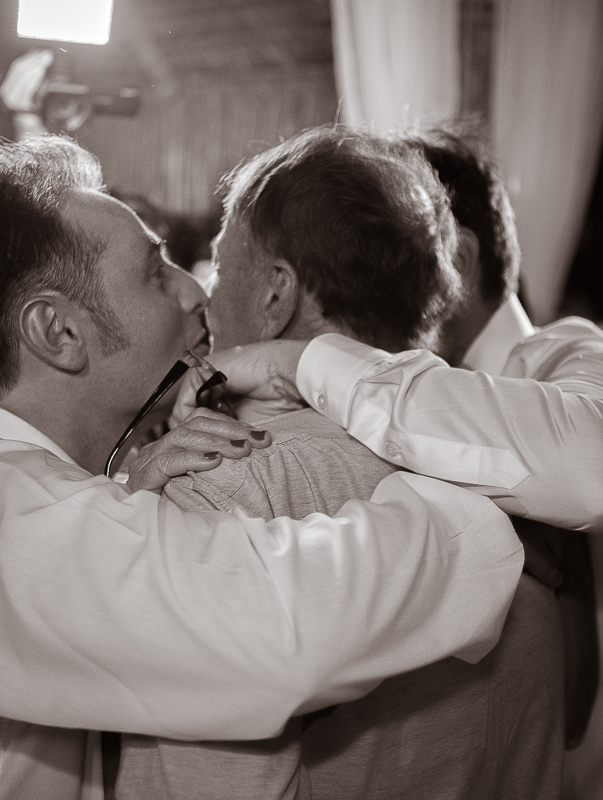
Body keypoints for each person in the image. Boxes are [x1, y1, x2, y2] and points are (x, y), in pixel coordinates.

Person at [0, 135, 526, 800]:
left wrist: (123, 494)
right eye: (155, 270)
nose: (195, 289)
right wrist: (479, 491)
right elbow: (275, 632)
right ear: (59, 332)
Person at [172, 130, 603, 800]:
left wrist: (298, 358)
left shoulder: (580, 363)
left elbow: (602, 472)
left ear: (461, 259)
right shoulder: (349, 430)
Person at [116, 126, 566, 800]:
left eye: (220, 263)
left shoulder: (222, 484)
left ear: (276, 293)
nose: (206, 295)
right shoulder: (526, 494)